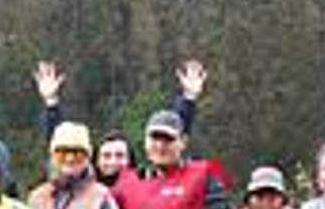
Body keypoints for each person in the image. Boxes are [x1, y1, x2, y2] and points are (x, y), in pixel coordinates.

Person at [32, 60, 207, 188]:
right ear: (96, 160)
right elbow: (62, 143)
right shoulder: (85, 189)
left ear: (130, 159)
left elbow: (169, 139)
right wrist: (51, 103)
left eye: (119, 155)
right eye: (107, 156)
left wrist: (188, 99)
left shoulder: (145, 184)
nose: (113, 161)